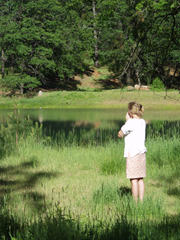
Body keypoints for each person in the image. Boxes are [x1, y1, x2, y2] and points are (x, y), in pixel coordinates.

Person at [118, 102, 147, 203]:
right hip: (141, 153)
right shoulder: (142, 122)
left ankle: (135, 203)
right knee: (140, 179)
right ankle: (142, 201)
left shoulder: (130, 123)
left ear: (130, 112)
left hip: (132, 154)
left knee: (133, 180)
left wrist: (127, 120)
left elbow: (120, 134)